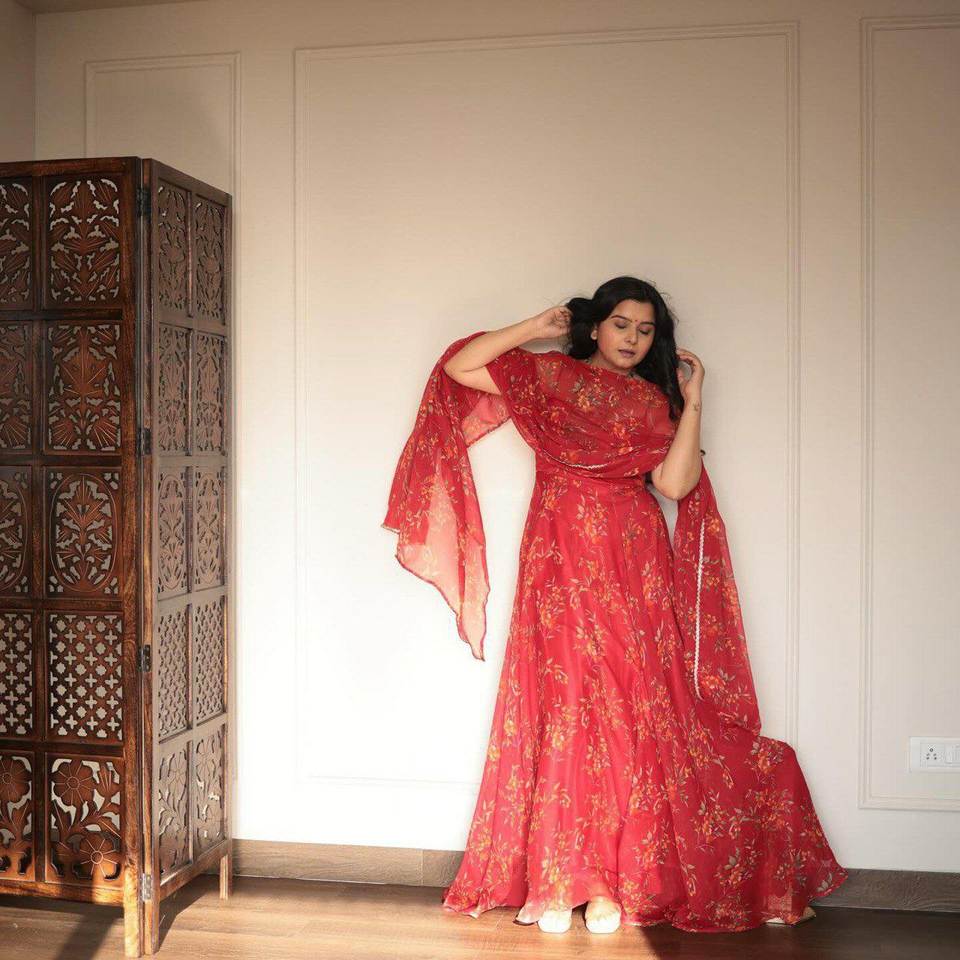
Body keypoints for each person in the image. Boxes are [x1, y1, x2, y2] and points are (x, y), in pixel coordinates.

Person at [382, 276, 848, 935]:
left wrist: (693, 400)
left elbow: (674, 484)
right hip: (559, 558)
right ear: (595, 326)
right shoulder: (552, 379)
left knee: (632, 710)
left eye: (646, 330)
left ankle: (610, 885)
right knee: (566, 704)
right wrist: (534, 328)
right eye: (622, 324)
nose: (633, 339)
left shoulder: (652, 404)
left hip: (633, 561)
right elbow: (461, 367)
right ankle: (560, 878)